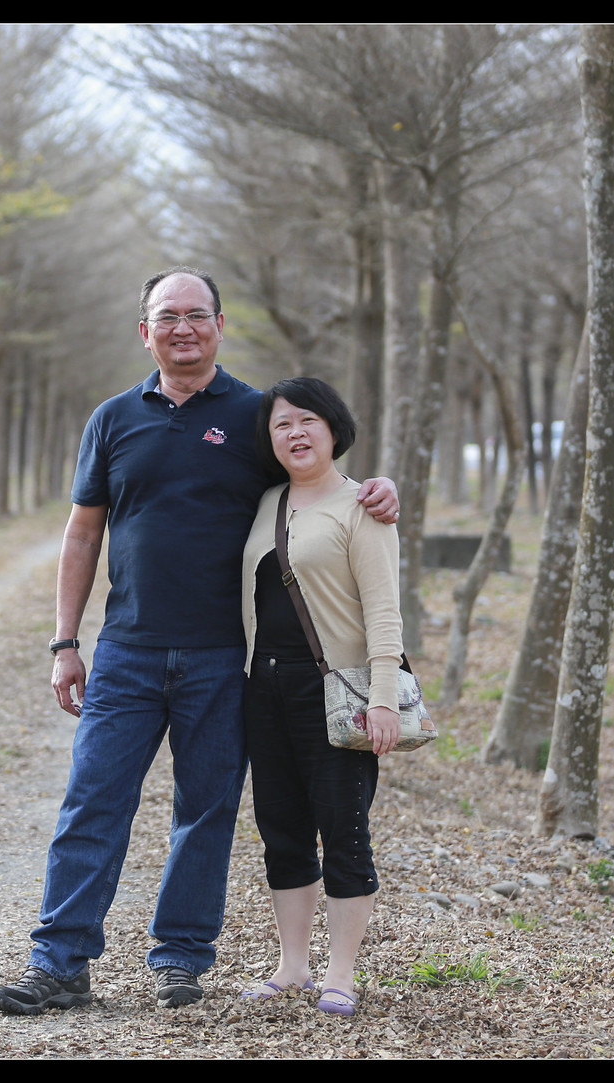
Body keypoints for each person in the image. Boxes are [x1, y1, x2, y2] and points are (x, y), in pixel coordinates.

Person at [0, 268, 399, 1015]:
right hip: (127, 650)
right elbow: (82, 533)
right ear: (144, 331)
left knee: (205, 813)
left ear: (219, 325)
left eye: (196, 315)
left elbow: (314, 473)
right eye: (167, 316)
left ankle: (180, 958)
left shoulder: (254, 416)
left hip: (223, 658)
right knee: (92, 803)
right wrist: (65, 641)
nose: (183, 328)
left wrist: (377, 487)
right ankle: (59, 960)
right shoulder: (112, 418)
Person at [238, 376, 421, 1018]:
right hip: (264, 689)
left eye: (307, 420)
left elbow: (384, 611)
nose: (295, 433)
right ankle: (293, 966)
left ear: (334, 429)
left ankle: (341, 974)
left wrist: (383, 698)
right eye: (282, 424)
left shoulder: (362, 506)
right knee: (281, 830)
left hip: (336, 692)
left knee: (344, 830)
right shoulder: (265, 501)